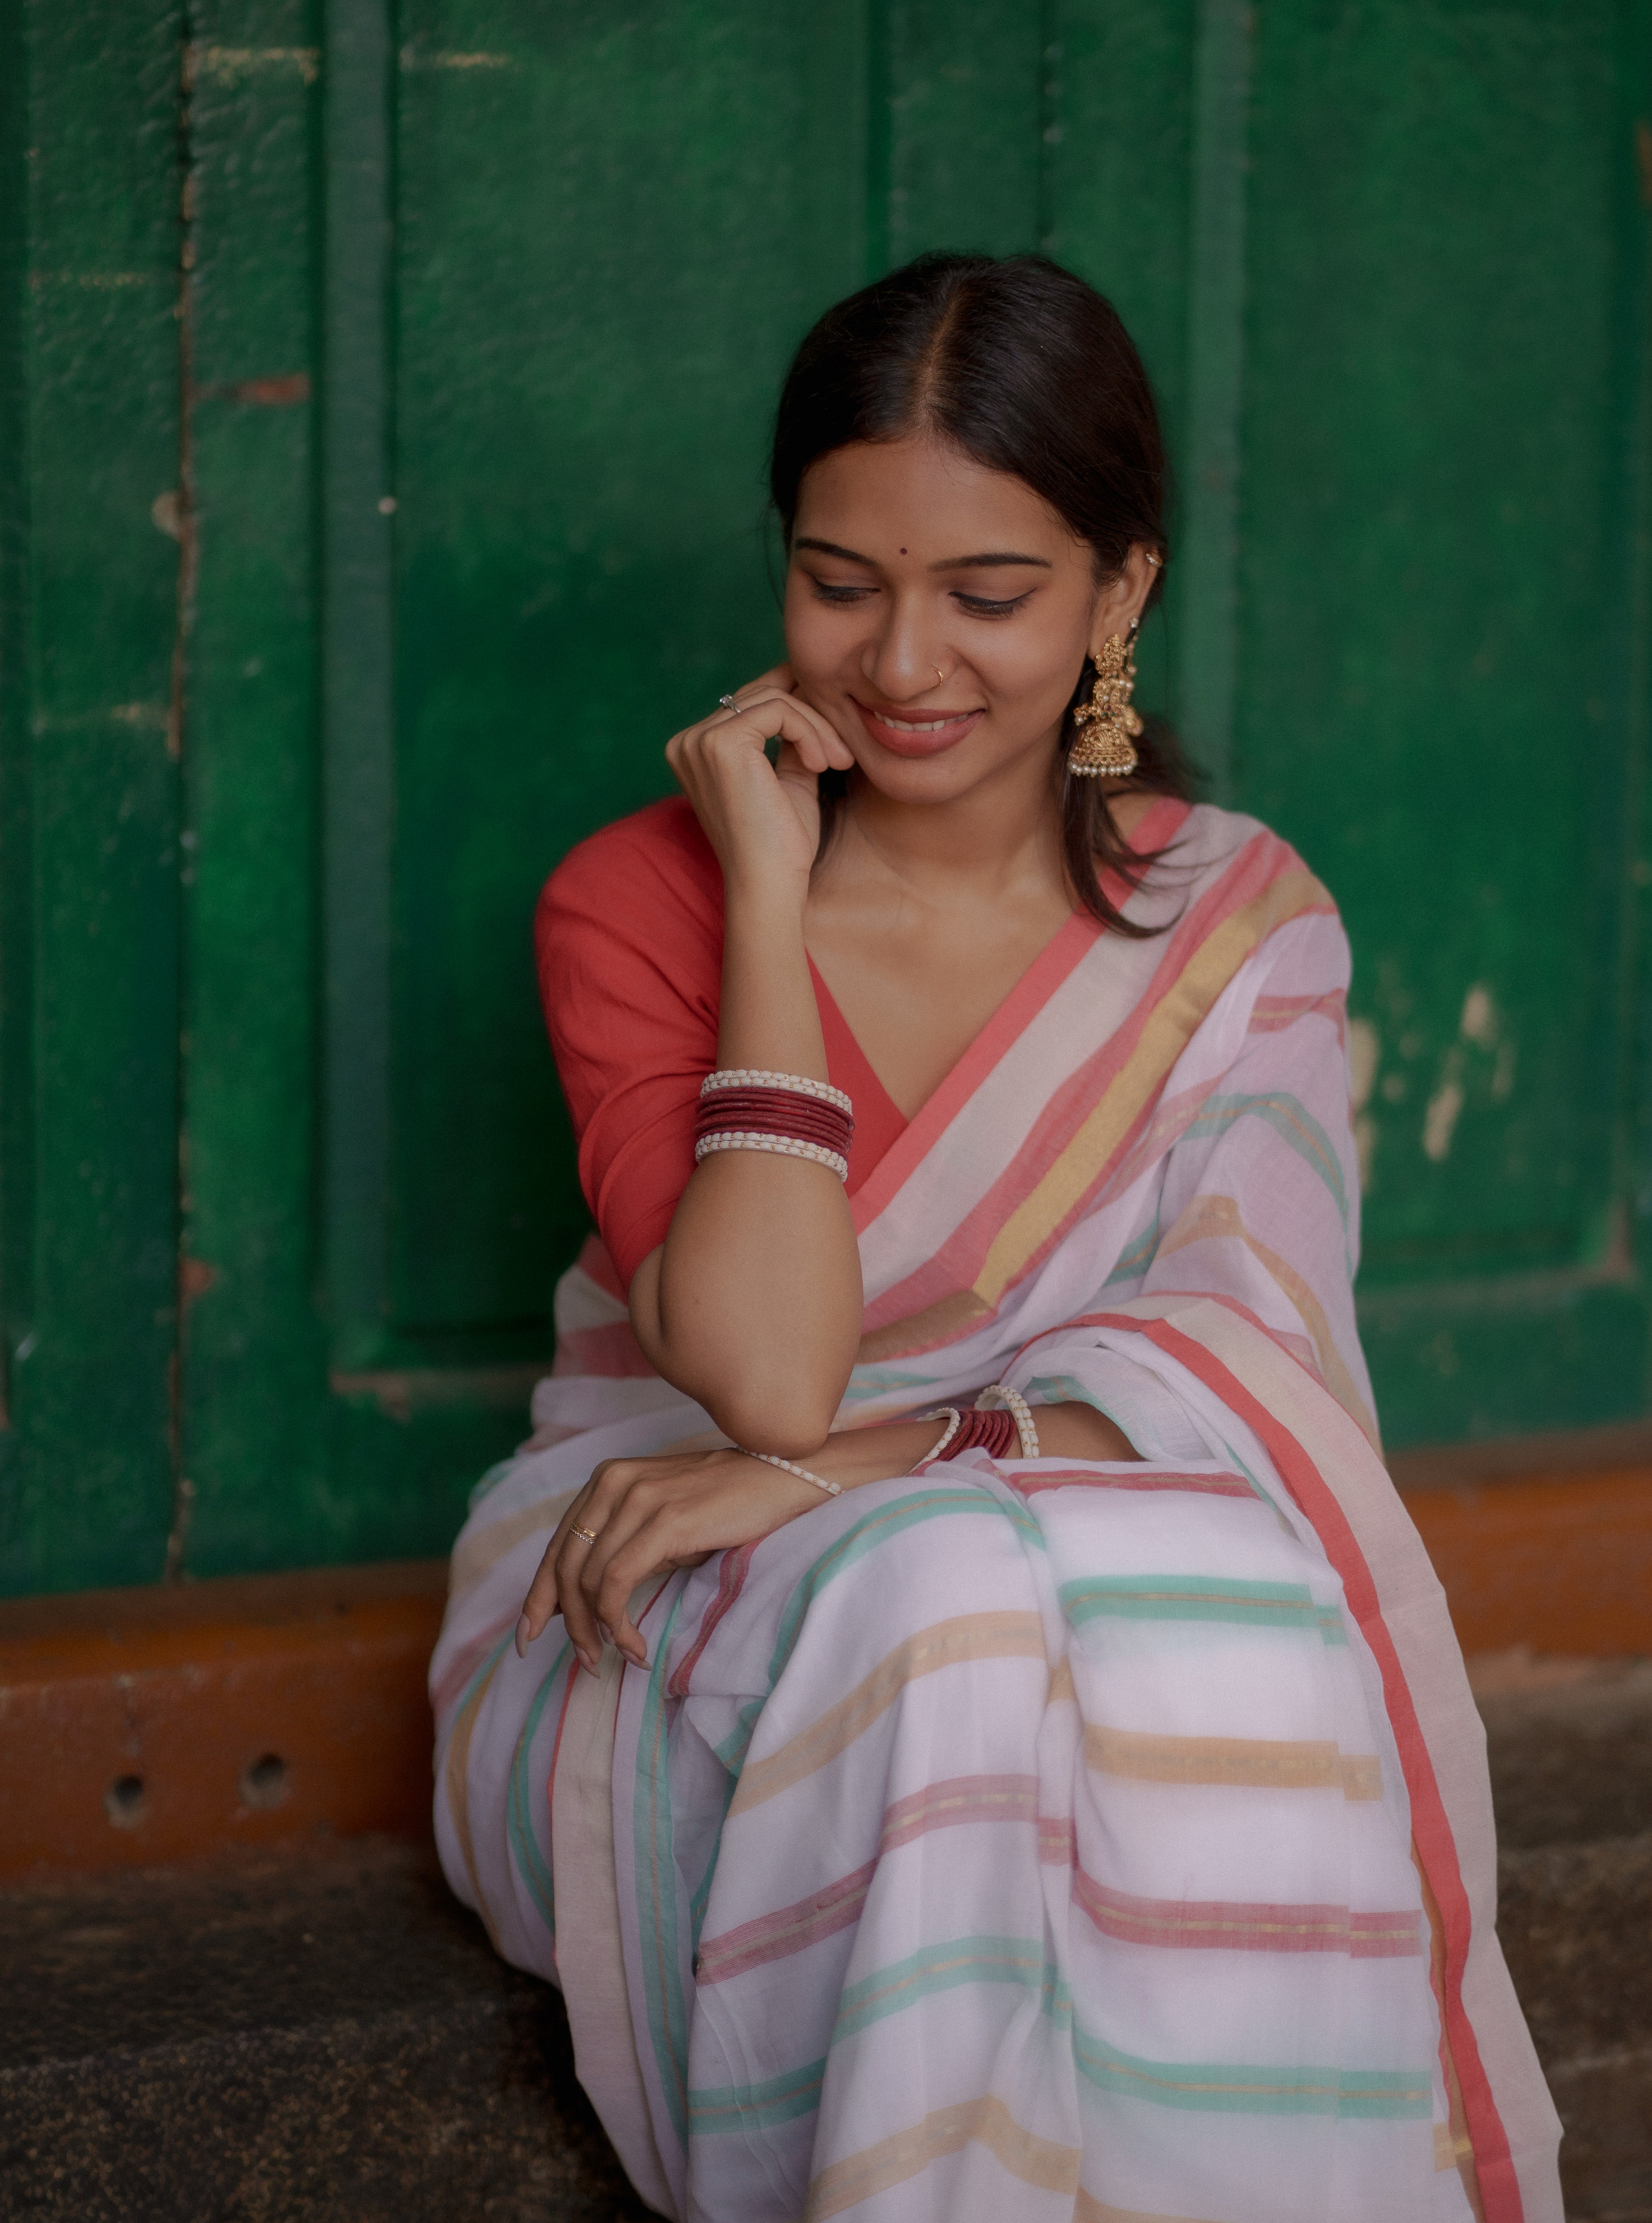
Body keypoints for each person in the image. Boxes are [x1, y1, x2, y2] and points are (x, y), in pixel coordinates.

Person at [430, 253, 1558, 2223]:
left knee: (1210, 1599)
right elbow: (767, 1379)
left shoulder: (1238, 925)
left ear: (1121, 590)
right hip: (654, 1563)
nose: (903, 663)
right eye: (839, 580)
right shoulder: (634, 901)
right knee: (955, 1607)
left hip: (1017, 1534)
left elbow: (1243, 1363)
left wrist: (886, 1458)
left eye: (990, 594)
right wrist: (766, 909)